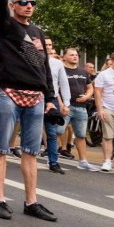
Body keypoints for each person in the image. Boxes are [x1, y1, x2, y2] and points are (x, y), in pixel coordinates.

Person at [0, 0, 58, 221]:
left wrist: (50, 97)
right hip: (9, 93)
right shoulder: (5, 26)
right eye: (23, 2)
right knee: (2, 147)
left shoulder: (38, 32)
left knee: (31, 151)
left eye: (32, 2)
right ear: (13, 5)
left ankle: (31, 202)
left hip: (37, 97)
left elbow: (45, 67)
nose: (28, 6)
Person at [61, 48, 99, 170]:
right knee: (58, 132)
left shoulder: (83, 72)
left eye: (76, 55)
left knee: (81, 135)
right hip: (66, 106)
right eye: (71, 55)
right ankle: (53, 157)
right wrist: (61, 105)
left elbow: (90, 87)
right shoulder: (61, 71)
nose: (75, 57)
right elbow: (55, 89)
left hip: (81, 108)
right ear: (64, 57)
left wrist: (87, 96)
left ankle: (83, 161)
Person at [44, 38, 71, 174]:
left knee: (52, 132)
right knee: (32, 131)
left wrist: (66, 103)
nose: (48, 47)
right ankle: (27, 158)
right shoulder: (30, 60)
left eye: (50, 44)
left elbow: (63, 83)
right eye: (45, 44)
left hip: (52, 99)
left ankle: (53, 162)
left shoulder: (57, 63)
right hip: (34, 98)